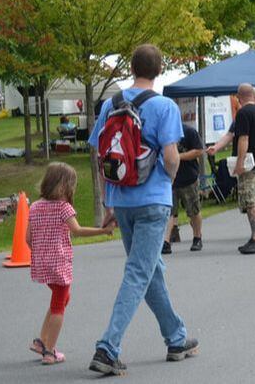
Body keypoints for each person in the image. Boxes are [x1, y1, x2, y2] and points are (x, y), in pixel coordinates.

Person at [88, 44, 198, 375]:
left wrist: (109, 197)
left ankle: (176, 337)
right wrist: (170, 178)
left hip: (121, 199)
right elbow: (170, 156)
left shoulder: (111, 104)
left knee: (151, 269)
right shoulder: (165, 107)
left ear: (131, 68)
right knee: (139, 272)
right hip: (153, 200)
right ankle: (108, 348)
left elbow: (100, 154)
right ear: (160, 69)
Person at [27, 162, 115, 366]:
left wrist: (41, 253)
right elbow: (77, 231)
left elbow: (28, 238)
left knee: (62, 298)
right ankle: (50, 352)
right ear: (64, 186)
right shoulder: (63, 208)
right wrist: (103, 231)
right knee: (59, 305)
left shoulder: (35, 206)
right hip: (59, 264)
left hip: (42, 263)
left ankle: (41, 341)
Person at [229, 83, 255, 254]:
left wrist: (239, 163)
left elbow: (243, 138)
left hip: (249, 164)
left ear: (239, 96)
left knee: (250, 200)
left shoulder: (243, 113)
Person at [162, 122, 204, 254]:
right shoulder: (164, 134)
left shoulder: (189, 132)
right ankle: (166, 242)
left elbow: (199, 151)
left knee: (193, 211)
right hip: (170, 180)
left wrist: (178, 157)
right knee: (169, 212)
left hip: (188, 179)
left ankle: (197, 237)